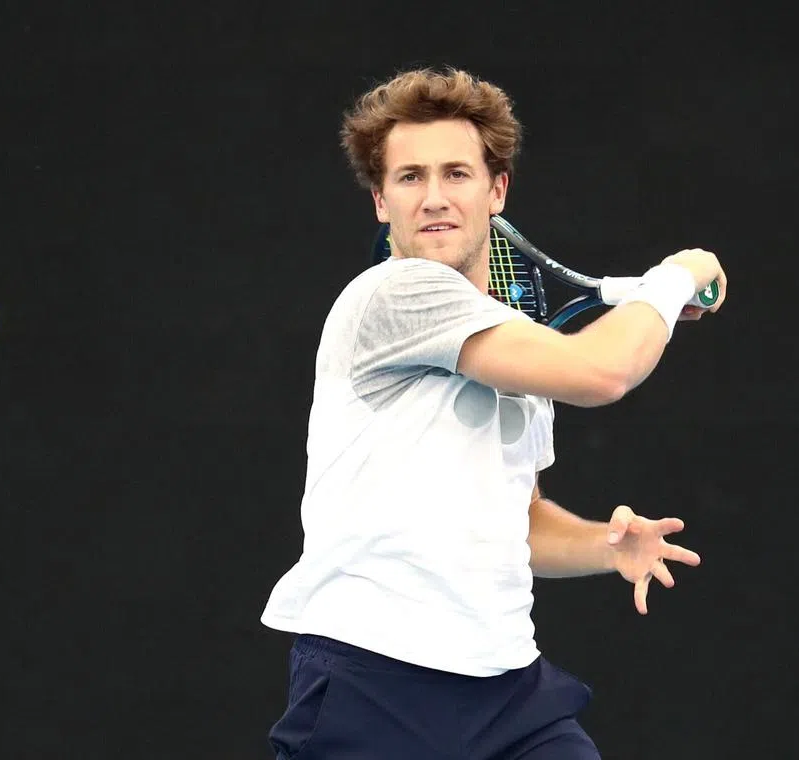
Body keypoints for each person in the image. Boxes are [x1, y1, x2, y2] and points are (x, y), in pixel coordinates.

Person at [260, 67, 727, 760]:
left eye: (456, 173)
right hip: (376, 684)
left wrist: (606, 544)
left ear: (496, 189)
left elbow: (523, 518)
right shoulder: (394, 293)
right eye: (410, 178)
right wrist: (678, 273)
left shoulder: (515, 343)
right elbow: (604, 370)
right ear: (381, 202)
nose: (435, 198)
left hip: (509, 692)